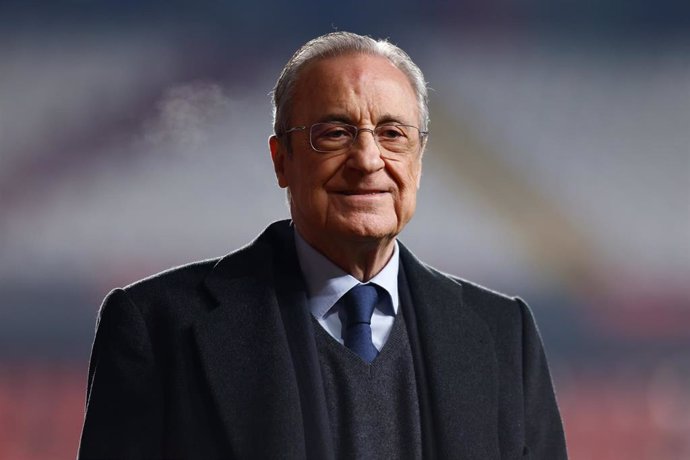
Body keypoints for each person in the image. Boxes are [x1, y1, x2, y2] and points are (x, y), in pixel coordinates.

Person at [78, 31, 567, 459]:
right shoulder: (157, 326)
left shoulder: (506, 335)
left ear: (419, 158)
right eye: (335, 133)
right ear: (281, 160)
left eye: (392, 133)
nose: (367, 159)